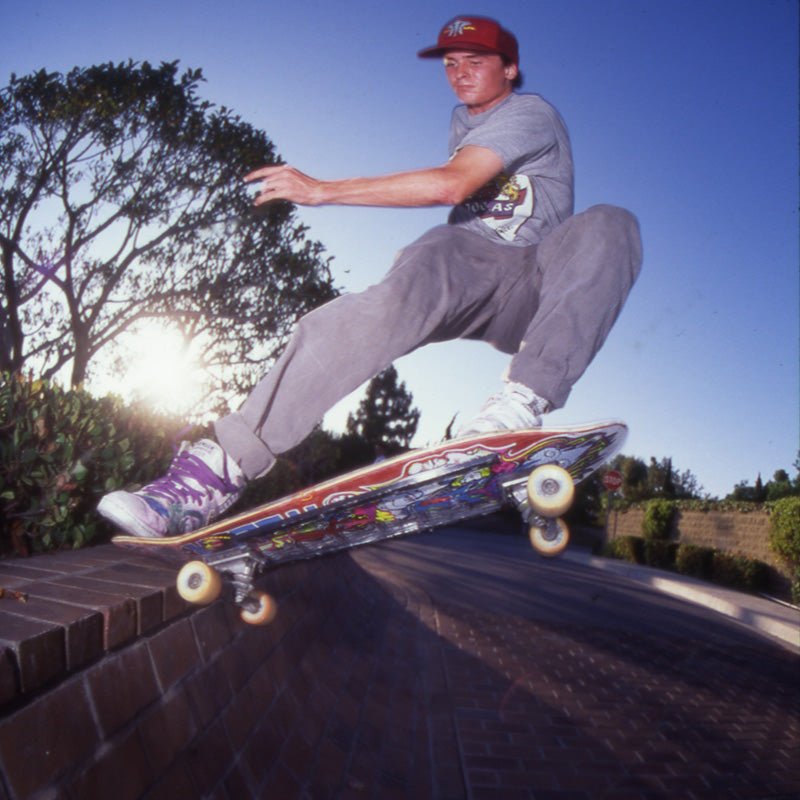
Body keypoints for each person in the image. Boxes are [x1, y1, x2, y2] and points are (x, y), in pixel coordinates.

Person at [98, 15, 642, 539]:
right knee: (381, 300)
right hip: (468, 265)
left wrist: (321, 190)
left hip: (539, 284)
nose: (460, 73)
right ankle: (215, 472)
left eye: (476, 61)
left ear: (511, 68)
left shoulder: (531, 112)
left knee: (609, 225)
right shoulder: (465, 123)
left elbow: (453, 185)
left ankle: (519, 405)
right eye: (451, 63)